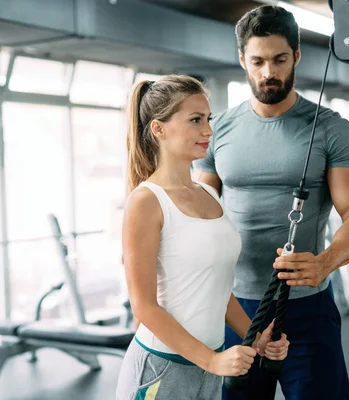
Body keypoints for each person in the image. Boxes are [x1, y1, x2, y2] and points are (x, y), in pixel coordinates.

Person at [193, 6, 349, 400]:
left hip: (306, 308)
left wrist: (323, 262)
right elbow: (200, 212)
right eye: (257, 61)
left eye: (279, 59)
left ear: (296, 55)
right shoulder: (217, 129)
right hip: (234, 306)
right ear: (242, 59)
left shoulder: (330, 128)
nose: (268, 73)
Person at [115, 75, 290, 400]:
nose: (208, 130)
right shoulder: (146, 201)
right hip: (160, 367)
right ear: (159, 129)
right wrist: (212, 359)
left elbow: (218, 289)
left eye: (208, 119)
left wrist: (256, 339)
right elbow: (144, 307)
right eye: (195, 120)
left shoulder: (210, 193)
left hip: (208, 366)